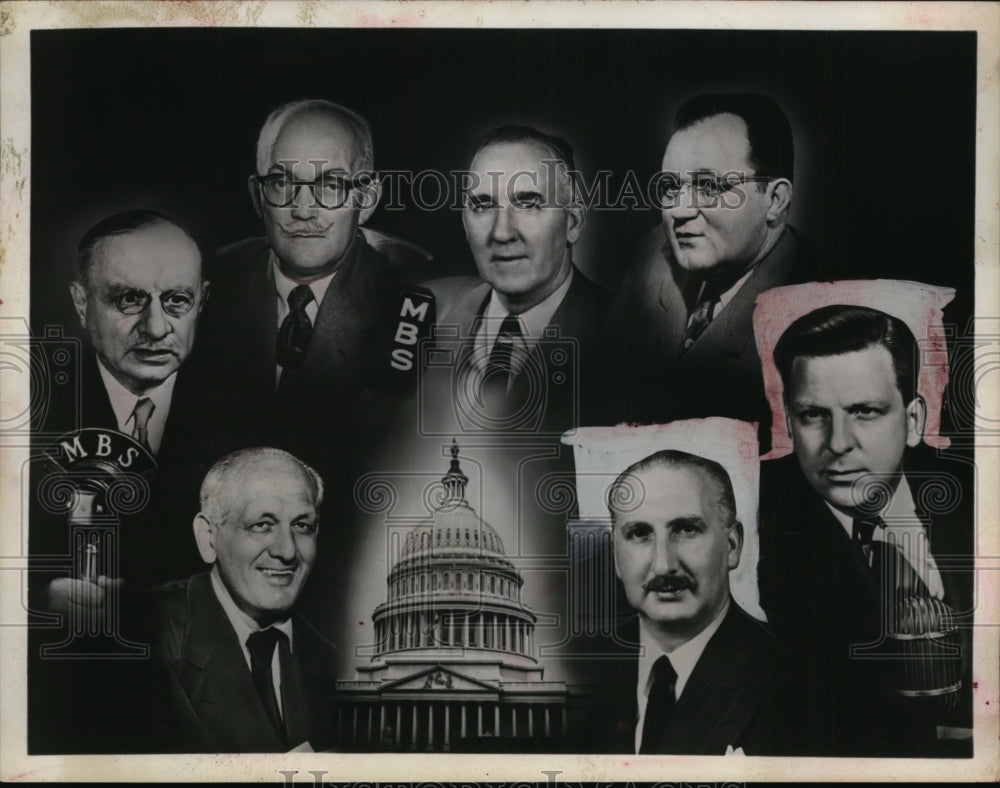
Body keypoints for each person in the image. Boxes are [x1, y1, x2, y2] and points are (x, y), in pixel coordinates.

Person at [29, 209, 236, 754]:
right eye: (128, 299)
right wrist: (36, 601)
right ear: (80, 303)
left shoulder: (250, 412)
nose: (156, 327)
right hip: (66, 721)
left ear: (202, 301)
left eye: (177, 301)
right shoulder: (24, 414)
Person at [759, 304, 973, 756]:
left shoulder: (977, 498)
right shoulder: (756, 527)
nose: (838, 443)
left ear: (914, 421)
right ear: (789, 422)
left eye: (865, 411)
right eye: (812, 415)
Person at [206, 99, 426, 483]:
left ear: (367, 199)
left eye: (332, 185)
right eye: (282, 183)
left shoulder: (419, 290)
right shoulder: (210, 282)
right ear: (258, 196)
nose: (304, 210)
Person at [606, 93, 801, 442]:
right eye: (670, 187)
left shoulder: (812, 314)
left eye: (708, 186)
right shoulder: (653, 252)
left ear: (775, 200)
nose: (678, 211)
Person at [139, 447, 338, 753]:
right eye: (261, 524)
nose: (287, 551)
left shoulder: (328, 659)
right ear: (208, 537)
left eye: (302, 526)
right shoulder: (141, 636)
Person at [585, 450, 779, 755]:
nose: (664, 565)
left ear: (732, 545)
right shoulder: (586, 666)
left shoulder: (793, 679)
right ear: (616, 556)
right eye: (639, 533)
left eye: (686, 530)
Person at [423, 125, 607, 433]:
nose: (502, 232)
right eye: (483, 206)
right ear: (465, 223)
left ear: (573, 222)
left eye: (528, 204)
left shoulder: (628, 337)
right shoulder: (422, 312)